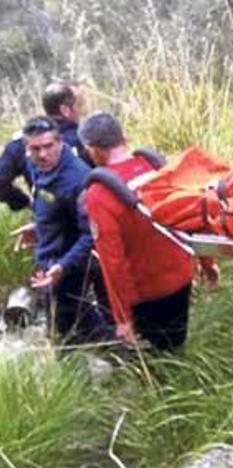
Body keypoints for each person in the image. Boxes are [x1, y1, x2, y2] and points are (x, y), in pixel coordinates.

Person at [80, 111, 219, 351]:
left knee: (156, 360)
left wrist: (123, 318)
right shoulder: (157, 168)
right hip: (182, 276)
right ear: (124, 136)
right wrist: (207, 262)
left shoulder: (99, 195)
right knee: (176, 343)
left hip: (146, 293)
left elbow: (113, 262)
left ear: (93, 149)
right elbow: (191, 218)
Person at [21, 116, 108, 342]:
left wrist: (63, 266)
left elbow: (91, 232)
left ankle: (126, 360)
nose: (42, 154)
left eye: (48, 146)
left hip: (74, 263)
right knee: (60, 323)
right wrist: (38, 226)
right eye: (35, 148)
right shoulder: (34, 164)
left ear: (60, 143)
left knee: (76, 323)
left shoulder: (78, 179)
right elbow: (47, 200)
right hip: (50, 257)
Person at [0, 81, 92, 212]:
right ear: (65, 110)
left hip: (47, 215)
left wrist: (26, 203)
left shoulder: (20, 142)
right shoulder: (85, 137)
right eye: (77, 106)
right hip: (87, 212)